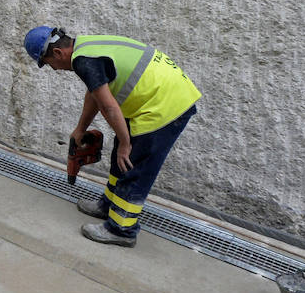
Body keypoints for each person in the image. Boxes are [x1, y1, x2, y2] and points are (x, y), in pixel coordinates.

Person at [24, 26, 200, 248]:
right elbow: (94, 94)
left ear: (58, 53)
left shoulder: (84, 61)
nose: (54, 69)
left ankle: (122, 229)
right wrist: (81, 129)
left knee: (133, 164)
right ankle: (108, 205)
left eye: (49, 64)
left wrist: (126, 143)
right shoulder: (86, 47)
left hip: (166, 105)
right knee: (120, 154)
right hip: (156, 98)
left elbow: (109, 107)